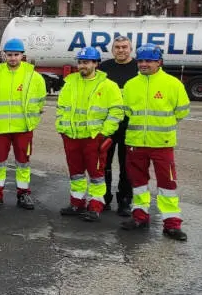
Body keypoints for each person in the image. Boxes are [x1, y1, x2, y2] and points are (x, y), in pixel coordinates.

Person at [119, 44, 190, 241]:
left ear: (159, 62)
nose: (143, 64)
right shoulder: (131, 85)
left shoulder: (173, 84)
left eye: (149, 61)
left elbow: (182, 111)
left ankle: (172, 223)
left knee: (167, 184)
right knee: (139, 183)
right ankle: (140, 216)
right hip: (135, 143)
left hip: (162, 143)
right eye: (141, 60)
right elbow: (126, 111)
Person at [56, 47, 124, 222]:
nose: (82, 66)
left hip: (94, 138)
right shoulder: (70, 82)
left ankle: (95, 206)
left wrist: (104, 133)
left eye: (86, 62)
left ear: (96, 63)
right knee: (76, 173)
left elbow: (116, 112)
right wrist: (62, 128)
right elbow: (62, 108)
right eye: (80, 62)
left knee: (96, 175)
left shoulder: (108, 86)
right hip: (71, 137)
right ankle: (77, 203)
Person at [0, 38, 47, 209]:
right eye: (9, 55)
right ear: (4, 55)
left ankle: (24, 194)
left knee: (23, 162)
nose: (13, 58)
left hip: (23, 128)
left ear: (22, 55)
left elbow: (41, 100)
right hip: (0, 128)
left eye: (16, 55)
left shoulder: (33, 76)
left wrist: (33, 121)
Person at [98, 36, 136, 216]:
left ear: (131, 49)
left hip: (130, 127)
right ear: (112, 50)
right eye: (117, 47)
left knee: (126, 166)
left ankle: (125, 201)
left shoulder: (138, 68)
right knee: (103, 164)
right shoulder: (104, 68)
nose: (121, 50)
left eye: (124, 47)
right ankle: (103, 198)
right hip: (108, 126)